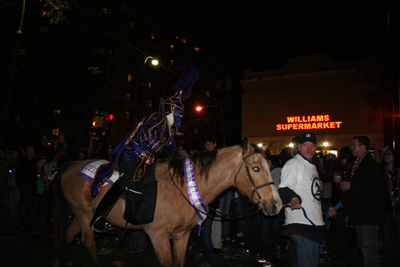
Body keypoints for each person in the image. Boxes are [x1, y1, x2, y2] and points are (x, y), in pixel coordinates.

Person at [89, 64, 199, 233]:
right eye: (177, 113)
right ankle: (98, 216)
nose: (179, 117)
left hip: (146, 162)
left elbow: (169, 148)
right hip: (132, 156)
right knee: (125, 183)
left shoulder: (168, 131)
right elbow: (148, 136)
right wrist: (163, 150)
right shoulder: (157, 118)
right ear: (170, 111)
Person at [278, 132, 336, 267]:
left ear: (316, 147)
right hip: (302, 224)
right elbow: (283, 189)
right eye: (305, 145)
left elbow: (312, 195)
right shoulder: (294, 164)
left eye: (312, 145)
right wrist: (293, 197)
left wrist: (326, 209)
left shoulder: (312, 166)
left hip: (313, 225)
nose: (309, 149)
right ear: (299, 147)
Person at [339, 135, 388, 267]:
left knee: (368, 248)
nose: (352, 147)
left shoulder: (370, 165)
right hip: (362, 214)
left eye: (354, 145)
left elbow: (376, 188)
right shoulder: (359, 163)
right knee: (364, 247)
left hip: (369, 215)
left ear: (363, 147)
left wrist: (352, 186)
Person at [380, 147, 400, 267]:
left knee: (398, 237)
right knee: (386, 238)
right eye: (385, 154)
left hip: (398, 208)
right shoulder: (382, 171)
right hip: (386, 209)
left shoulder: (397, 172)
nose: (386, 156)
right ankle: (388, 261)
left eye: (389, 154)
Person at [5, 147, 22, 227]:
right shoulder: (12, 162)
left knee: (17, 203)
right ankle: (14, 219)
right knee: (12, 203)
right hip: (11, 184)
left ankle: (17, 221)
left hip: (16, 185)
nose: (13, 154)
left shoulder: (19, 163)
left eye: (14, 152)